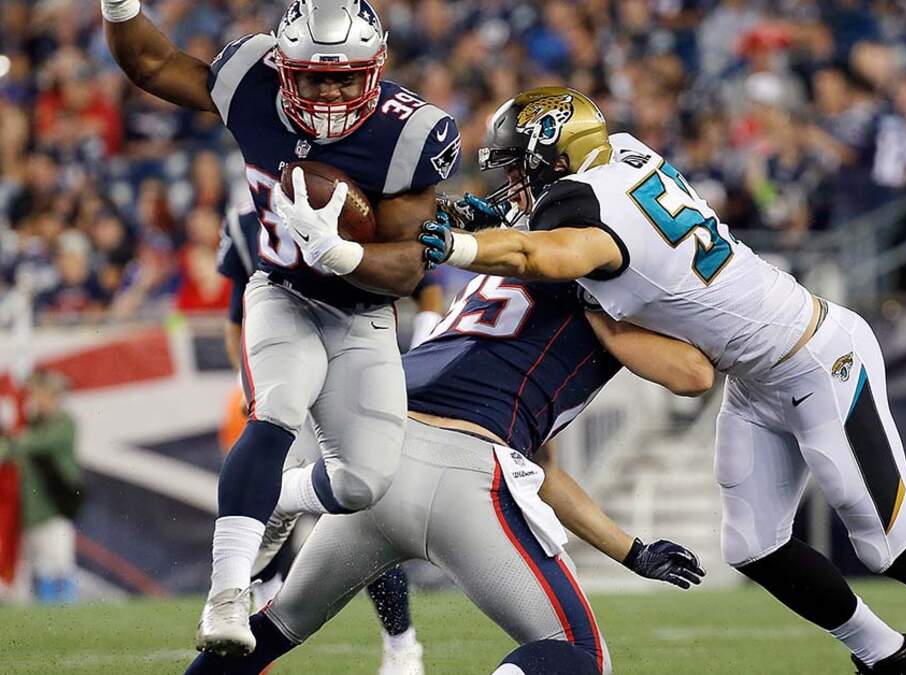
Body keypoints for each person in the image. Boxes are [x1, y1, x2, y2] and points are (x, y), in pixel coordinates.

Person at [396, 87, 906, 675]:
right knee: (754, 545)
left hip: (816, 355)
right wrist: (503, 222)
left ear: (555, 156)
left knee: (889, 540)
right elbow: (567, 232)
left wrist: (459, 245)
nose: (514, 184)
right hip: (755, 374)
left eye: (520, 167)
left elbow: (544, 251)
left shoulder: (588, 213)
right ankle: (887, 656)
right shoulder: (622, 156)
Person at [102, 0, 460, 655]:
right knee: (275, 412)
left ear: (375, 69)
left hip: (362, 314)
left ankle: (286, 496)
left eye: (345, 78)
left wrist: (343, 253)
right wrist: (120, 7)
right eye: (315, 77)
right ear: (283, 66)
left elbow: (410, 265)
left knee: (363, 483)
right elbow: (152, 64)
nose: (330, 93)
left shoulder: (410, 133)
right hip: (282, 292)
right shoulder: (251, 78)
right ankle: (226, 594)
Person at [183, 271, 712, 675]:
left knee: (271, 631)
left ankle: (296, 491)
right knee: (580, 655)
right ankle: (299, 490)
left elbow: (544, 471)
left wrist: (632, 552)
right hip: (466, 474)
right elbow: (693, 375)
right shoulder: (593, 289)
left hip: (382, 456)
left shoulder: (507, 275)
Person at [216, 205, 425, 674]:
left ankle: (401, 642)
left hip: (345, 380)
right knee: (260, 509)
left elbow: (422, 284)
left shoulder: (363, 201)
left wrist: (422, 341)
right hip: (287, 378)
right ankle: (256, 617)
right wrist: (249, 384)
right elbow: (236, 317)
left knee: (363, 514)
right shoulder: (246, 221)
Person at [0, 369, 83, 604]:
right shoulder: (33, 425)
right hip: (32, 513)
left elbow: (32, 444)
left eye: (39, 394)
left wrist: (12, 438)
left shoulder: (63, 423)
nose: (35, 400)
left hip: (54, 511)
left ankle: (66, 611)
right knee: (40, 570)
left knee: (59, 565)